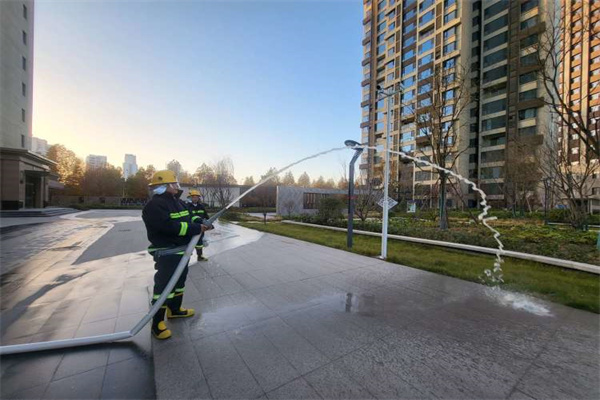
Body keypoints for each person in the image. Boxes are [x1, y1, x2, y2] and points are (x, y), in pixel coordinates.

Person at [142, 170, 211, 340]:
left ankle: (175, 310)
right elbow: (169, 227)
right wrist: (196, 228)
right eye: (173, 183)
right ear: (164, 186)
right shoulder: (154, 206)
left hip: (182, 251)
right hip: (168, 253)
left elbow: (189, 218)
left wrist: (201, 222)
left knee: (179, 283)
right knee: (164, 287)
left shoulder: (178, 202)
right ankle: (157, 323)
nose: (176, 186)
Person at [186, 189, 210, 261]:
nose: (195, 198)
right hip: (191, 228)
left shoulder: (201, 206)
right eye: (193, 197)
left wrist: (208, 223)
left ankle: (200, 256)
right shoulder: (187, 206)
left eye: (197, 197)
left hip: (200, 228)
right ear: (190, 197)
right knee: (188, 243)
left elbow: (206, 216)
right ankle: (186, 259)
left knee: (199, 243)